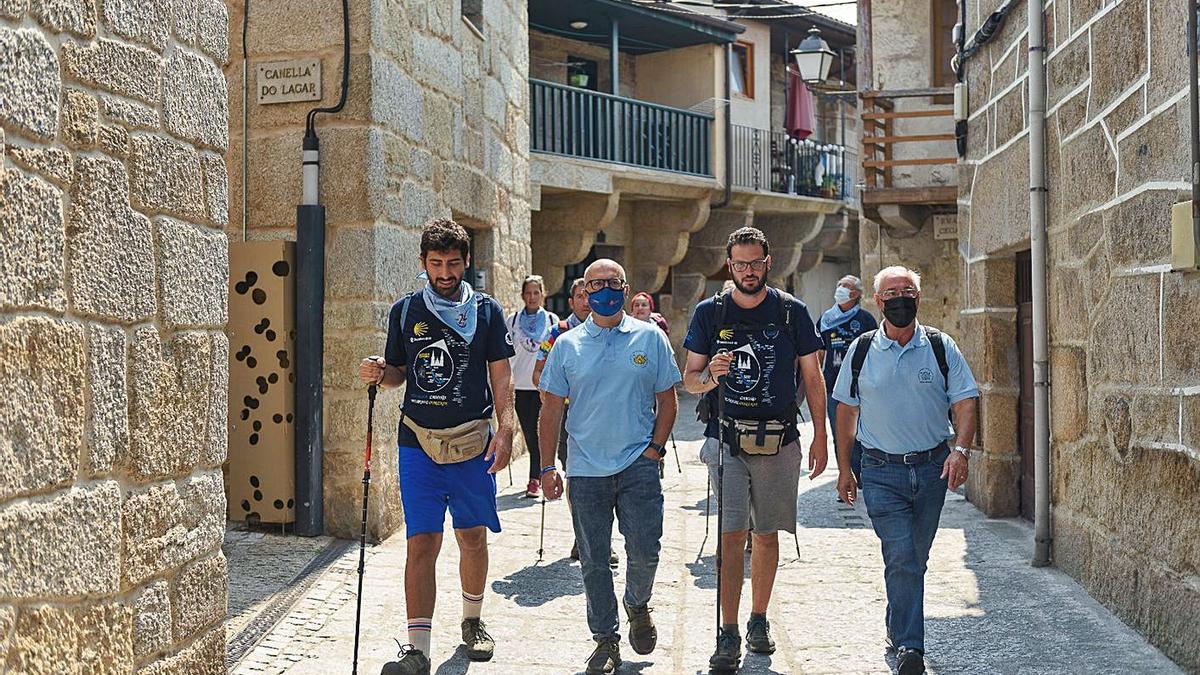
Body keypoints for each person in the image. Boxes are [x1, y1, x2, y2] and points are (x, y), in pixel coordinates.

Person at [358, 219, 516, 675]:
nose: (444, 272)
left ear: (466, 262)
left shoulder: (487, 312)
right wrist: (378, 372)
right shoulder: (405, 311)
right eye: (435, 263)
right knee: (422, 541)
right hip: (417, 443)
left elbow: (501, 376)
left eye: (452, 263)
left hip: (472, 442)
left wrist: (505, 431)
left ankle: (472, 621)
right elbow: (397, 373)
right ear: (423, 263)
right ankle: (417, 650)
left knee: (471, 537)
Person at [682, 226, 828, 673]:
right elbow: (690, 378)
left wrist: (821, 435)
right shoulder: (709, 313)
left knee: (766, 534)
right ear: (730, 266)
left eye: (755, 263)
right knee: (730, 537)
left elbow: (813, 377)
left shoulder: (791, 313)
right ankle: (727, 631)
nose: (748, 271)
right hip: (727, 439)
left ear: (769, 263)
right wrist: (712, 376)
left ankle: (758, 619)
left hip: (779, 439)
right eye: (740, 264)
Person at [832, 265, 978, 675]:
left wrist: (961, 450)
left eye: (907, 290)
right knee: (902, 555)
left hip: (932, 468)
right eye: (891, 292)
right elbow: (845, 410)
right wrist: (846, 469)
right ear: (877, 302)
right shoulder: (862, 350)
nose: (900, 298)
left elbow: (966, 400)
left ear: (918, 297)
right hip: (880, 470)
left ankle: (898, 624)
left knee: (915, 558)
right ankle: (910, 649)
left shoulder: (940, 346)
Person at [538, 259, 681, 675]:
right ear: (582, 291)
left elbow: (667, 399)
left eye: (611, 283)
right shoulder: (567, 345)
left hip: (639, 464)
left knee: (646, 550)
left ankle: (637, 603)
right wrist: (547, 467)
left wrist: (654, 450)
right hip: (585, 471)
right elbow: (550, 412)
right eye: (595, 284)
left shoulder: (650, 338)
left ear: (624, 287)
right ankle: (605, 640)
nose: (603, 290)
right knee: (594, 560)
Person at [531, 278, 616, 565]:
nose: (584, 301)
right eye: (579, 296)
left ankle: (604, 538)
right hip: (571, 416)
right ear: (571, 302)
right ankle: (583, 535)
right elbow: (538, 373)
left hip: (606, 414)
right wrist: (554, 395)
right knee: (577, 476)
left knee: (609, 476)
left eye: (587, 295)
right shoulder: (557, 333)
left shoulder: (611, 328)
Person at [817, 274, 877, 490]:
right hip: (834, 388)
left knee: (863, 435)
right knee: (841, 436)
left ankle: (865, 478)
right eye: (839, 284)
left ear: (856, 294)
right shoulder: (825, 320)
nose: (841, 289)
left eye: (846, 286)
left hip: (862, 388)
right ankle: (847, 477)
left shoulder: (866, 320)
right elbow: (819, 354)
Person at [507, 275, 559, 498]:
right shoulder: (512, 320)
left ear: (543, 295)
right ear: (522, 295)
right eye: (528, 293)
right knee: (529, 432)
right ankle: (538, 474)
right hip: (519, 385)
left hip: (543, 387)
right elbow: (505, 352)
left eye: (536, 293)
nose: (532, 297)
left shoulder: (551, 320)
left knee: (539, 433)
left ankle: (535, 479)